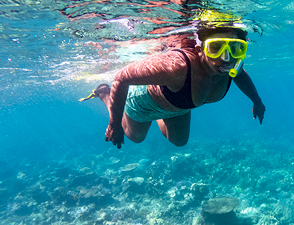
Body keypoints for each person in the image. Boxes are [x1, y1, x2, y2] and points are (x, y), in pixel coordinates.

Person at [80, 23, 265, 149]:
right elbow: (121, 77)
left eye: (235, 48)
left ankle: (158, 115)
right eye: (215, 47)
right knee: (136, 137)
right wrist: (114, 123)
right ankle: (104, 92)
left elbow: (240, 75)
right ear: (200, 48)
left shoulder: (231, 65)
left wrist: (257, 101)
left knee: (179, 141)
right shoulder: (178, 66)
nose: (226, 57)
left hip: (177, 106)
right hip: (144, 102)